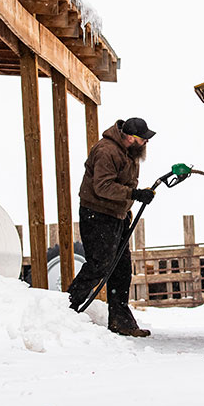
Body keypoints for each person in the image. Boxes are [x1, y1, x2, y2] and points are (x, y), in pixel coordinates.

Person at [67, 117, 156, 337]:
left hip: (117, 215)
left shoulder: (129, 153)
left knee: (122, 268)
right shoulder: (106, 151)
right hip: (97, 215)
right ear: (129, 137)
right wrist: (133, 194)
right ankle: (66, 310)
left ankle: (121, 321)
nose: (145, 144)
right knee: (99, 264)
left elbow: (123, 184)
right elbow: (102, 186)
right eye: (142, 140)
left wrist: (135, 196)